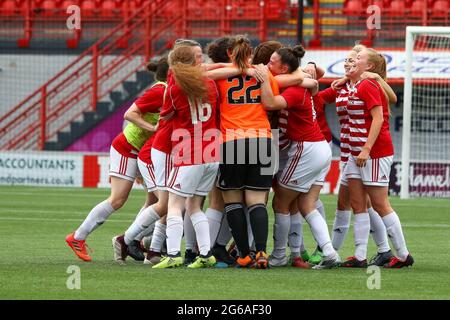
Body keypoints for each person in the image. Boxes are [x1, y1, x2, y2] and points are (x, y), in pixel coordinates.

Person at [65, 57, 164, 262]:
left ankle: (132, 240)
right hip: (128, 148)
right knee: (118, 199)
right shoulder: (160, 91)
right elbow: (129, 115)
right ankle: (78, 237)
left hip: (143, 152)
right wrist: (152, 128)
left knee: (156, 200)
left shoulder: (167, 90)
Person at [118, 39, 205, 266]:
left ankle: (154, 250)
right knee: (168, 204)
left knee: (170, 204)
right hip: (164, 148)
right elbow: (134, 114)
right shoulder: (176, 84)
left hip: (175, 148)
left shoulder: (184, 80)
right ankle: (127, 240)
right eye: (197, 56)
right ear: (184, 61)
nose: (202, 60)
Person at [255, 46, 341, 269]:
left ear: (284, 68)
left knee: (280, 202)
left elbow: (270, 103)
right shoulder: (298, 81)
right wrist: (309, 70)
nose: (267, 66)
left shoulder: (294, 89)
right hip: (317, 147)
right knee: (305, 203)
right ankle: (329, 252)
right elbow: (315, 73)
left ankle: (279, 255)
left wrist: (264, 79)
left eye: (271, 63)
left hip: (306, 148)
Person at [321, 45, 398, 267]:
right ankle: (378, 250)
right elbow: (319, 96)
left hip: (364, 152)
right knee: (358, 203)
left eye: (353, 59)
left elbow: (391, 98)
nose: (348, 63)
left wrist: (375, 77)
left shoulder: (368, 83)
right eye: (346, 59)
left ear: (364, 65)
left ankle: (332, 252)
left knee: (361, 203)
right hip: (348, 150)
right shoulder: (345, 86)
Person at [341, 47, 414, 268]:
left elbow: (379, 118)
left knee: (380, 204)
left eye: (358, 57)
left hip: (372, 153)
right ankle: (360, 255)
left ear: (369, 66)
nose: (352, 59)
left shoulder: (368, 84)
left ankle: (403, 255)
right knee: (357, 203)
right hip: (356, 153)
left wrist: (366, 148)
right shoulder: (357, 84)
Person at [152, 44, 220, 269]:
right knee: (195, 206)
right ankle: (206, 254)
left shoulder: (175, 88)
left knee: (174, 205)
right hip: (211, 152)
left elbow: (166, 115)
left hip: (189, 152)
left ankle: (172, 255)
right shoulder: (210, 83)